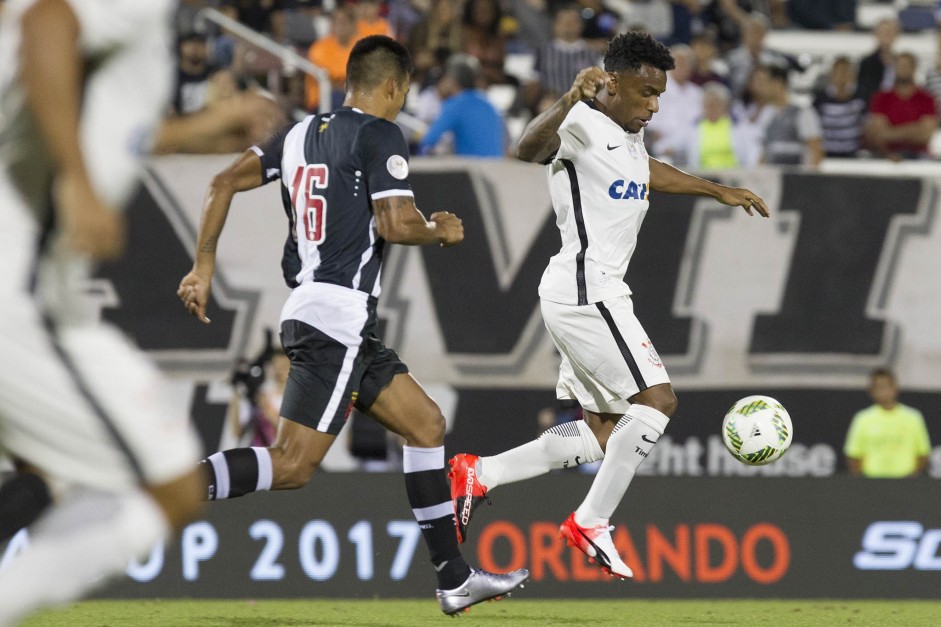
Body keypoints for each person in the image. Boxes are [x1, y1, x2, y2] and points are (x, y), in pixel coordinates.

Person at [177, 35, 528, 615]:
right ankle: (174, 490)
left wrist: (203, 264)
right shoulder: (380, 133)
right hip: (333, 318)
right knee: (292, 465)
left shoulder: (298, 135)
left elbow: (221, 183)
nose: (401, 103)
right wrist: (441, 229)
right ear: (392, 87)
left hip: (335, 322)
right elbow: (394, 223)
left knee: (427, 425)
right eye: (404, 93)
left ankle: (454, 578)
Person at [448, 31, 769, 579]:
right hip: (586, 287)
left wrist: (717, 190)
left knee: (602, 432)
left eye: (660, 96)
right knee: (659, 402)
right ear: (611, 84)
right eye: (645, 93)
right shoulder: (581, 121)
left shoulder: (627, 134)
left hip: (584, 290)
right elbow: (526, 148)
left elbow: (646, 172)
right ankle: (590, 522)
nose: (653, 105)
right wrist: (570, 98)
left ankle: (480, 474)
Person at [0, 1, 204, 623]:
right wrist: (79, 179)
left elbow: (91, 106)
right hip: (18, 292)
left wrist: (192, 132)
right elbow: (48, 24)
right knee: (164, 485)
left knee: (56, 474)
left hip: (37, 292)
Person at [844, 369, 931, 478]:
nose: (883, 391)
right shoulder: (863, 419)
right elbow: (853, 455)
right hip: (872, 485)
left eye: (887, 386)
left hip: (906, 485)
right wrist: (864, 483)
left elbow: (923, 454)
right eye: (879, 387)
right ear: (871, 391)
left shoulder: (913, 417)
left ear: (896, 388)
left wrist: (911, 480)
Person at [418, 55, 505, 157]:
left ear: (451, 80)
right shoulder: (490, 104)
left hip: (473, 170)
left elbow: (428, 140)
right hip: (496, 169)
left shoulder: (455, 105)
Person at [864, 52, 939, 161]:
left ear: (914, 68)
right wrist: (915, 129)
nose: (903, 69)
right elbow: (878, 135)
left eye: (906, 66)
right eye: (899, 66)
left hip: (918, 157)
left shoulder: (927, 98)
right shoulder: (881, 98)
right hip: (887, 156)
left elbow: (926, 136)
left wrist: (890, 133)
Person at [646, 44, 702, 165]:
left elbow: (699, 123)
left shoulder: (697, 93)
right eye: (679, 63)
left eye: (687, 64)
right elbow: (650, 123)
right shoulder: (656, 90)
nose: (682, 67)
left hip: (690, 147)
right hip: (662, 148)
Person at [761, 64, 823, 166]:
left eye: (765, 83)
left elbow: (816, 150)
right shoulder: (767, 115)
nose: (762, 88)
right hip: (774, 178)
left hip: (796, 179)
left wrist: (811, 179)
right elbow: (765, 151)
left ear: (778, 83)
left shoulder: (803, 113)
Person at [305, 5, 360, 112]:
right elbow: (328, 81)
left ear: (353, 25)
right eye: (336, 22)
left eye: (344, 22)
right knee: (340, 96)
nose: (340, 26)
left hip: (350, 96)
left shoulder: (359, 46)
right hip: (322, 100)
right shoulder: (319, 47)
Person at [687, 81, 751, 168]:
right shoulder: (693, 128)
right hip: (703, 177)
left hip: (732, 176)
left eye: (716, 104)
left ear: (725, 106)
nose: (712, 108)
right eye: (708, 105)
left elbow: (748, 155)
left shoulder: (738, 127)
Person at [813, 56, 866, 159]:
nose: (843, 77)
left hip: (853, 153)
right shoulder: (820, 99)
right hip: (826, 154)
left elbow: (866, 125)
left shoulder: (861, 98)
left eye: (846, 72)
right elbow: (814, 127)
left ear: (853, 76)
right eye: (839, 72)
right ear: (831, 75)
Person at [856, 16, 899, 106]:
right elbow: (864, 92)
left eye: (890, 32)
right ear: (876, 35)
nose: (887, 36)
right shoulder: (867, 63)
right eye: (884, 32)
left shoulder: (901, 63)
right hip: (874, 109)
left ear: (896, 35)